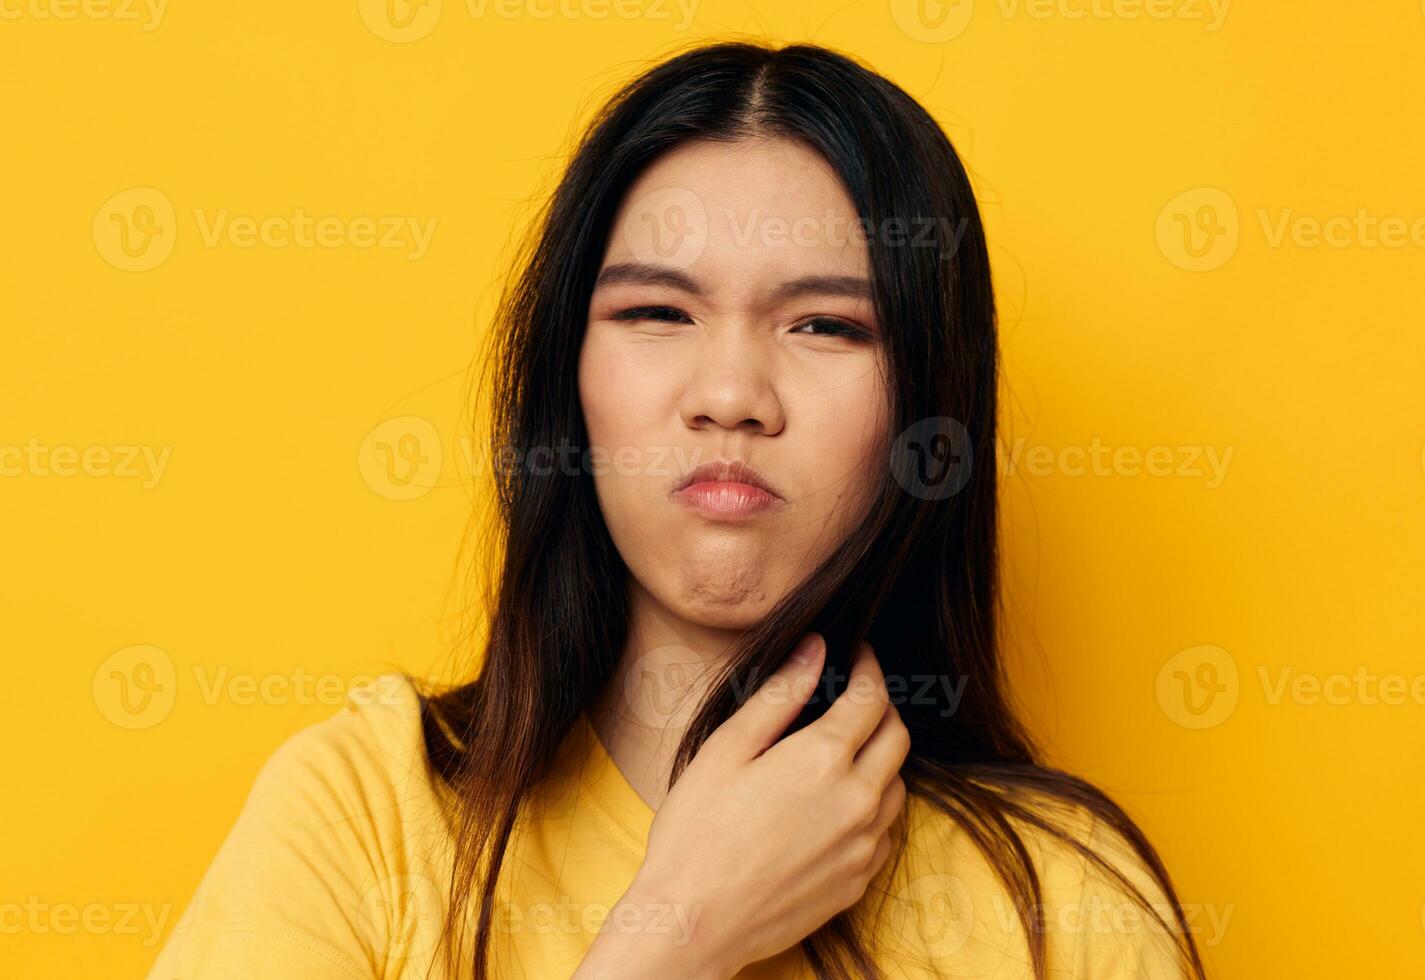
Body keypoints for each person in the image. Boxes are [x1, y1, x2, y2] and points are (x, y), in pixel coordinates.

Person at [147, 41, 1206, 980]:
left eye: (826, 325)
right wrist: (677, 931)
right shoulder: (367, 810)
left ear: (924, 407)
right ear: (569, 379)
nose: (731, 394)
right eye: (658, 312)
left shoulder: (1061, 904)